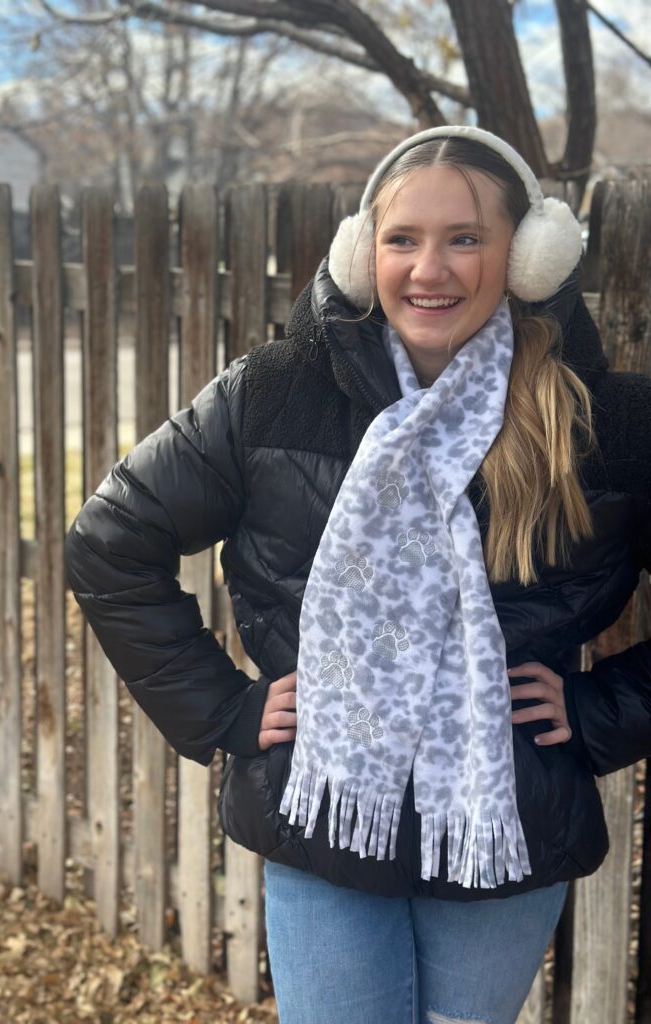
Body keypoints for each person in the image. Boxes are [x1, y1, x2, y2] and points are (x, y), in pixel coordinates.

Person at [65, 126, 651, 1024]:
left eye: (465, 238)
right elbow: (110, 541)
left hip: (505, 832)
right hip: (325, 820)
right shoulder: (274, 392)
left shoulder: (606, 422)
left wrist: (600, 710)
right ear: (360, 252)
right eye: (402, 239)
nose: (431, 269)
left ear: (528, 256)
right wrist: (225, 709)